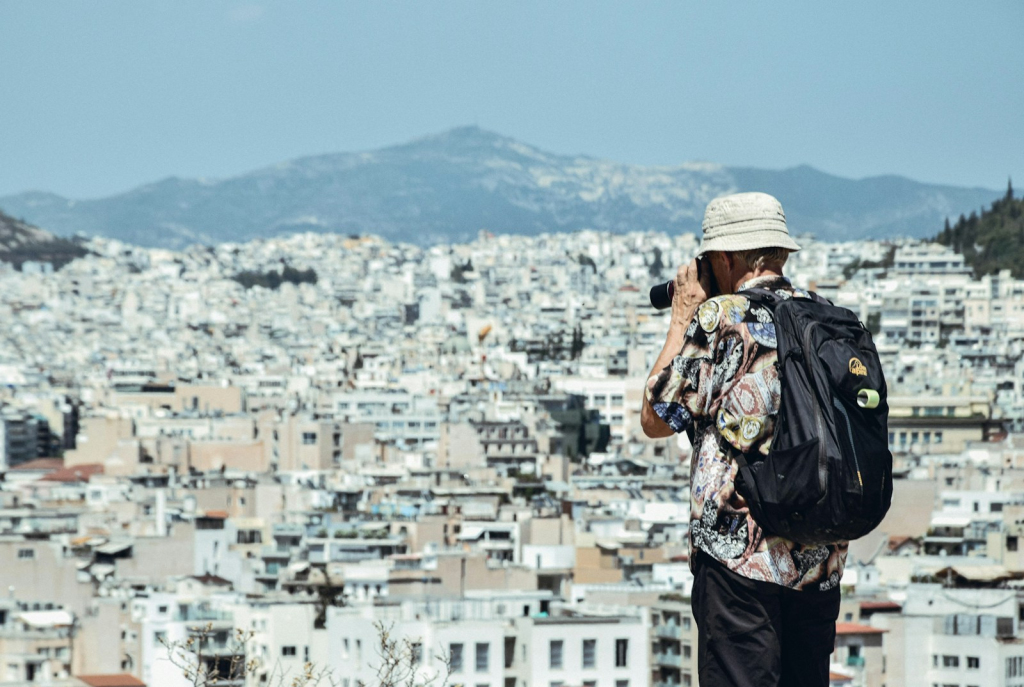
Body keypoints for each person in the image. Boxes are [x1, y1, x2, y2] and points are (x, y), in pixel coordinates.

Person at [641, 192, 846, 687]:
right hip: (819, 555)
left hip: (740, 558)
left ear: (725, 258)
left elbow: (655, 417)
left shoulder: (722, 321)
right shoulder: (827, 319)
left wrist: (684, 316)